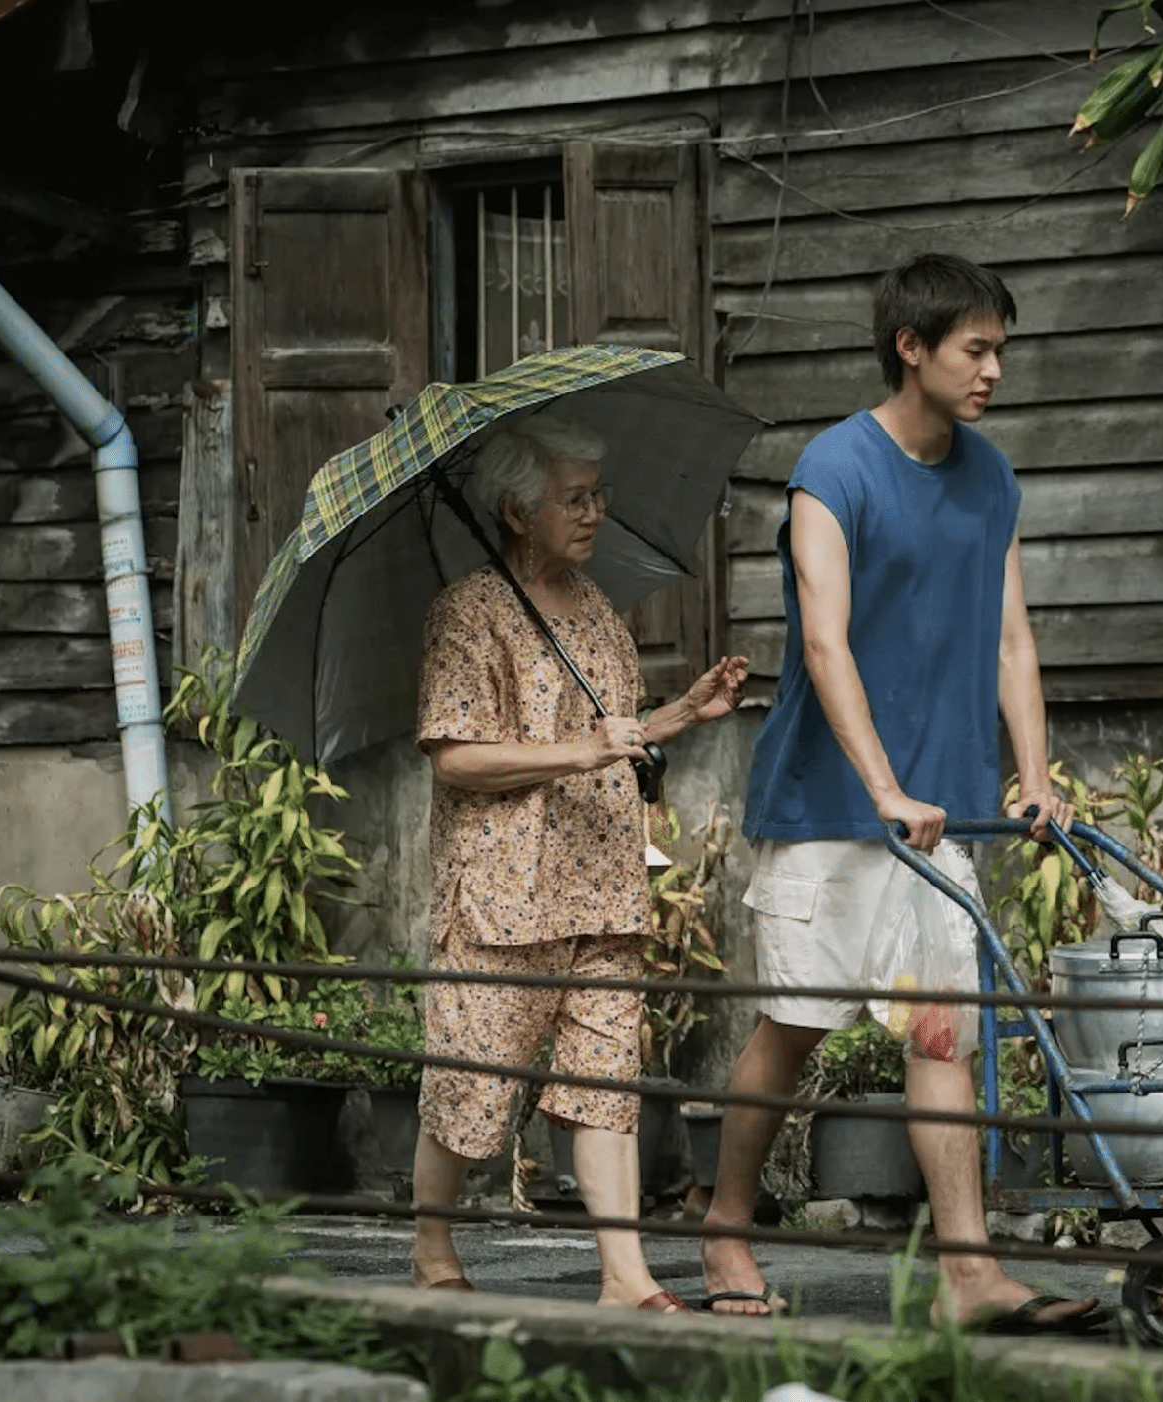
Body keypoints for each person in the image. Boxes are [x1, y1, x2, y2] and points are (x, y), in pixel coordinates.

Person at [699, 254, 1100, 1333]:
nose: (994, 371)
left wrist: (1033, 775)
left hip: (942, 815)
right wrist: (881, 785)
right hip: (831, 814)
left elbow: (1013, 637)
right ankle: (725, 1224)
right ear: (909, 348)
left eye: (1000, 350)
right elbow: (822, 643)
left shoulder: (990, 477)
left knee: (941, 1039)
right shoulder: (832, 471)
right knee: (792, 1031)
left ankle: (967, 1277)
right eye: (976, 349)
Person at [410, 417, 749, 1310]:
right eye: (575, 497)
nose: (595, 511)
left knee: (605, 1087)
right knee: (472, 1084)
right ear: (519, 511)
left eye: (599, 494)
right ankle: (431, 1243)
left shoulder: (599, 611)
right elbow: (454, 757)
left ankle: (625, 1278)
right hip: (503, 894)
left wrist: (680, 715)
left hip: (602, 885)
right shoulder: (466, 615)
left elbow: (616, 737)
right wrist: (575, 752)